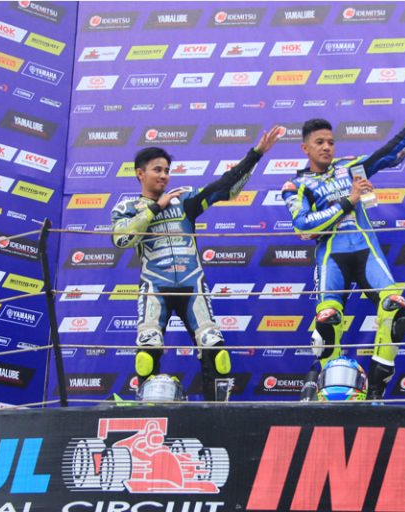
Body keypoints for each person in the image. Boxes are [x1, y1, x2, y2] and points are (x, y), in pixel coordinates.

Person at [282, 83, 405, 400]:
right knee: (327, 322)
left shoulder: (351, 167)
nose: (327, 147)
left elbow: (391, 153)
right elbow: (303, 227)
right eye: (319, 142)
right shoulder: (296, 185)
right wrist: (348, 201)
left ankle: (376, 388)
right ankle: (328, 393)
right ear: (305, 148)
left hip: (365, 250)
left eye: (331, 142)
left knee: (394, 307)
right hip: (331, 257)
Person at [111, 126, 282, 401]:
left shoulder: (185, 201)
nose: (164, 175)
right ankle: (148, 413)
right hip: (155, 287)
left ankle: (217, 416)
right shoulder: (127, 208)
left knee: (216, 351)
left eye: (167, 170)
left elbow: (224, 187)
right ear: (140, 173)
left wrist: (256, 154)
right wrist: (156, 207)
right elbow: (121, 239)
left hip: (193, 285)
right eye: (157, 170)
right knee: (147, 353)